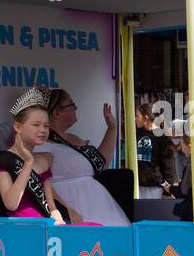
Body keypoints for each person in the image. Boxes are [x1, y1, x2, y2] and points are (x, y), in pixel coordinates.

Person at [38, 87, 128, 226]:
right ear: (56, 112)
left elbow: (100, 163)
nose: (76, 108)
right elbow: (42, 181)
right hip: (68, 205)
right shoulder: (41, 144)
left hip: (98, 204)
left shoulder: (74, 138)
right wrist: (62, 208)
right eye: (71, 105)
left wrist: (112, 128)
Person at [0, 90, 67, 222]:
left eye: (46, 126)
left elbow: (51, 207)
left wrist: (60, 222)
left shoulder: (44, 160)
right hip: (24, 227)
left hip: (46, 225)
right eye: (36, 125)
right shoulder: (5, 159)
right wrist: (28, 163)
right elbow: (11, 204)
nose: (43, 130)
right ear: (18, 127)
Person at [135, 104, 175, 200]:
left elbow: (168, 164)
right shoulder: (136, 134)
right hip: (138, 185)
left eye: (137, 115)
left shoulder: (162, 137)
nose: (135, 118)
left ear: (146, 117)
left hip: (155, 187)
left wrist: (167, 188)